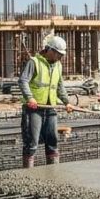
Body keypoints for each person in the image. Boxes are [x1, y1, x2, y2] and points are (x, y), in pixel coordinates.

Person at [19, 35, 74, 168]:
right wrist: (30, 98)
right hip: (34, 109)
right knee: (32, 143)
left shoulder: (58, 65)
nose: (60, 57)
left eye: (61, 55)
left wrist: (66, 102)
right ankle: (28, 174)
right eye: (58, 54)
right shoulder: (34, 62)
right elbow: (23, 81)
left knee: (52, 142)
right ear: (49, 50)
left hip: (50, 109)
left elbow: (59, 86)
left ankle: (53, 172)